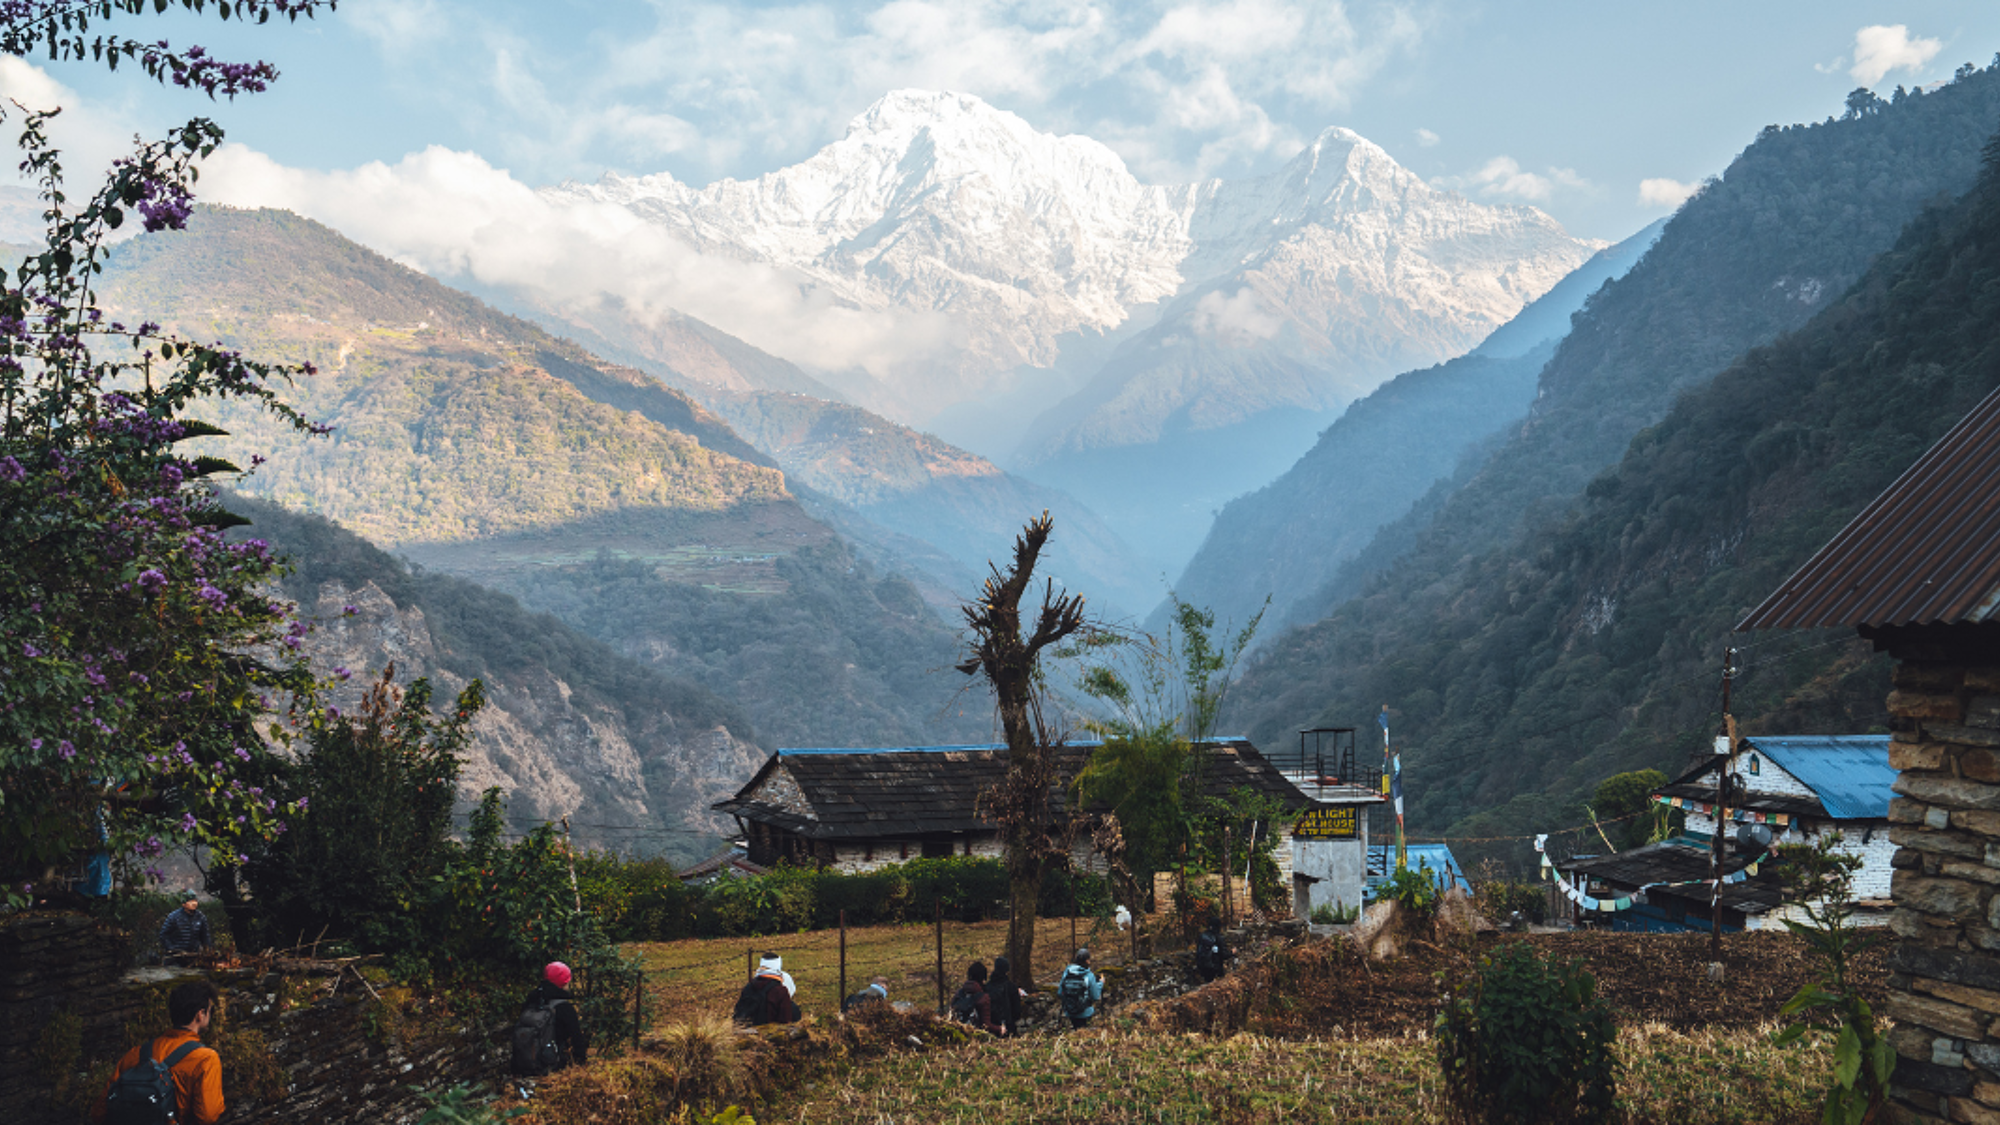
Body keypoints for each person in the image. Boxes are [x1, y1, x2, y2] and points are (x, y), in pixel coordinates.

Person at [93, 979, 224, 1124]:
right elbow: (208, 1116)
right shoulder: (205, 1058)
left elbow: (100, 1111)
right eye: (211, 1010)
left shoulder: (136, 1053)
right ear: (201, 1014)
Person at [511, 961, 589, 1076]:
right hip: (553, 1069)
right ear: (563, 983)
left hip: (522, 1066)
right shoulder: (564, 1007)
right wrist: (581, 1068)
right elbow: (577, 1041)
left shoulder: (532, 999)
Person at [733, 952, 801, 1025]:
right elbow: (786, 1020)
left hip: (745, 1031)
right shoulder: (780, 991)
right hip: (770, 1033)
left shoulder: (749, 987)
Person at [947, 961, 1003, 1034]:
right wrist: (1000, 1029)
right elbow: (985, 1025)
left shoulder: (959, 993)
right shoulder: (983, 997)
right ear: (983, 978)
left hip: (957, 1033)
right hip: (975, 1035)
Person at [1056, 947, 1103, 1029]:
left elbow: (1060, 992)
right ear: (1087, 961)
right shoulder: (1089, 975)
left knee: (1076, 1030)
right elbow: (1095, 996)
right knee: (1084, 1031)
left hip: (1070, 1012)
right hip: (1085, 1012)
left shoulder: (1067, 972)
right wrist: (1101, 983)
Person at [157, 891, 211, 960]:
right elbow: (164, 935)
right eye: (191, 901)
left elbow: (205, 936)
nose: (194, 903)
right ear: (184, 904)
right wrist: (171, 949)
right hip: (176, 956)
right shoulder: (173, 917)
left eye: (195, 901)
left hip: (194, 955)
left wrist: (207, 950)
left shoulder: (201, 917)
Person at [985, 956, 1022, 1037]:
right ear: (1007, 970)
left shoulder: (987, 987)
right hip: (1008, 1027)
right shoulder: (1011, 987)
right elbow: (1017, 1011)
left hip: (990, 1028)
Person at [1193, 916, 1231, 984]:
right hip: (1215, 969)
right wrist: (1232, 952)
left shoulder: (1203, 936)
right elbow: (1224, 954)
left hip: (1203, 968)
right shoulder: (1219, 938)